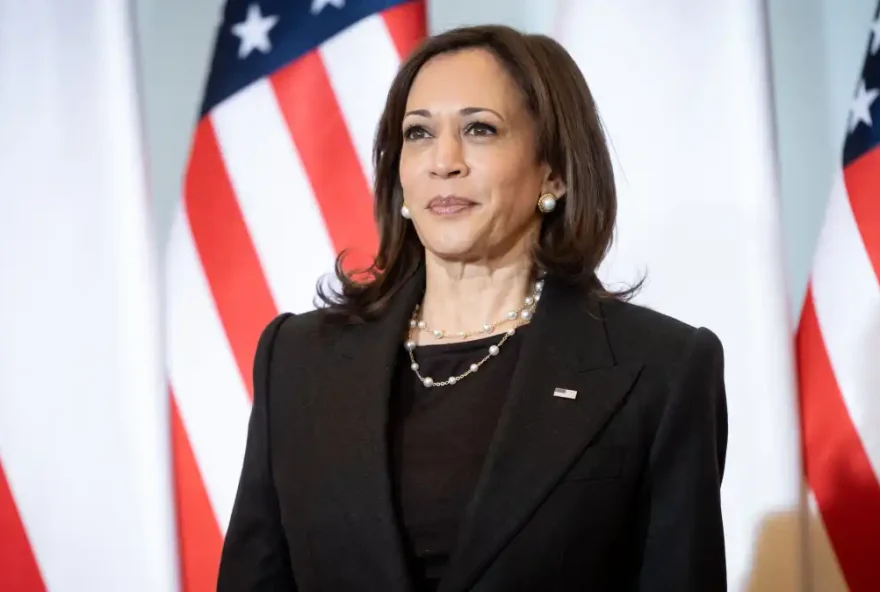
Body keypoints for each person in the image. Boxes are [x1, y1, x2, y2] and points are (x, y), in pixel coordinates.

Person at [216, 23, 728, 592]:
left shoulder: (661, 369)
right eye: (418, 134)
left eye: (480, 129)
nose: (444, 161)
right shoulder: (296, 360)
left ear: (552, 171)